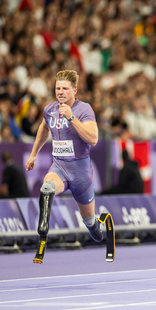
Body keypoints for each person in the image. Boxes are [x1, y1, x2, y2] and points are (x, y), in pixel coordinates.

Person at [26, 70, 104, 243]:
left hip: (81, 173)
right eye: (57, 88)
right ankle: (43, 230)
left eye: (65, 89)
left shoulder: (84, 109)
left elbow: (93, 139)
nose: (60, 92)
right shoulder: (49, 110)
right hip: (60, 167)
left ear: (74, 90)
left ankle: (95, 228)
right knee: (47, 188)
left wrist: (72, 117)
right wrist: (33, 155)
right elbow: (44, 128)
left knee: (90, 224)